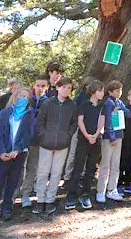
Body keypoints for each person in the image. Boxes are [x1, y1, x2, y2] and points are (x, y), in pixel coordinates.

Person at [0, 87, 34, 223]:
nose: (23, 99)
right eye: (21, 96)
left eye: (26, 97)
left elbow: (28, 135)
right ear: (15, 97)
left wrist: (17, 149)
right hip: (4, 153)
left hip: (19, 153)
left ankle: (7, 208)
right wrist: (1, 152)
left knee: (13, 182)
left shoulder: (29, 114)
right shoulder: (5, 113)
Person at [33, 77, 78, 215]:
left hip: (62, 144)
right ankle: (40, 200)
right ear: (57, 87)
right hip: (46, 143)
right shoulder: (48, 103)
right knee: (42, 172)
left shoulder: (72, 105)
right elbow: (39, 121)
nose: (66, 90)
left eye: (69, 88)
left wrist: (67, 135)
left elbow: (74, 123)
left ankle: (50, 200)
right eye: (63, 87)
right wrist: (43, 135)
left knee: (57, 173)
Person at [65, 79, 105, 210]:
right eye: (100, 90)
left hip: (96, 140)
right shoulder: (84, 105)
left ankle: (86, 194)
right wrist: (87, 135)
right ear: (93, 92)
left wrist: (96, 134)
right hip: (83, 139)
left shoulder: (102, 106)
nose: (102, 93)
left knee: (91, 168)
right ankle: (71, 195)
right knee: (78, 166)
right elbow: (80, 121)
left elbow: (102, 121)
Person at [96, 80, 131, 203]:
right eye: (117, 90)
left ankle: (112, 189)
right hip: (109, 137)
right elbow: (108, 121)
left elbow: (128, 114)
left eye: (121, 90)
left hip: (119, 136)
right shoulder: (108, 103)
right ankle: (101, 191)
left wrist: (121, 109)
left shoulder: (119, 102)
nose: (119, 92)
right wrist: (111, 137)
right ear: (110, 91)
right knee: (105, 164)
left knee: (115, 164)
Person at [20, 75, 50, 208]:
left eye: (43, 86)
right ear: (34, 85)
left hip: (37, 140)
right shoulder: (26, 100)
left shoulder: (49, 102)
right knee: (19, 167)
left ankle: (26, 193)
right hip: (22, 139)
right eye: (38, 85)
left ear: (47, 87)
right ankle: (14, 193)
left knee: (32, 167)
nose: (40, 88)